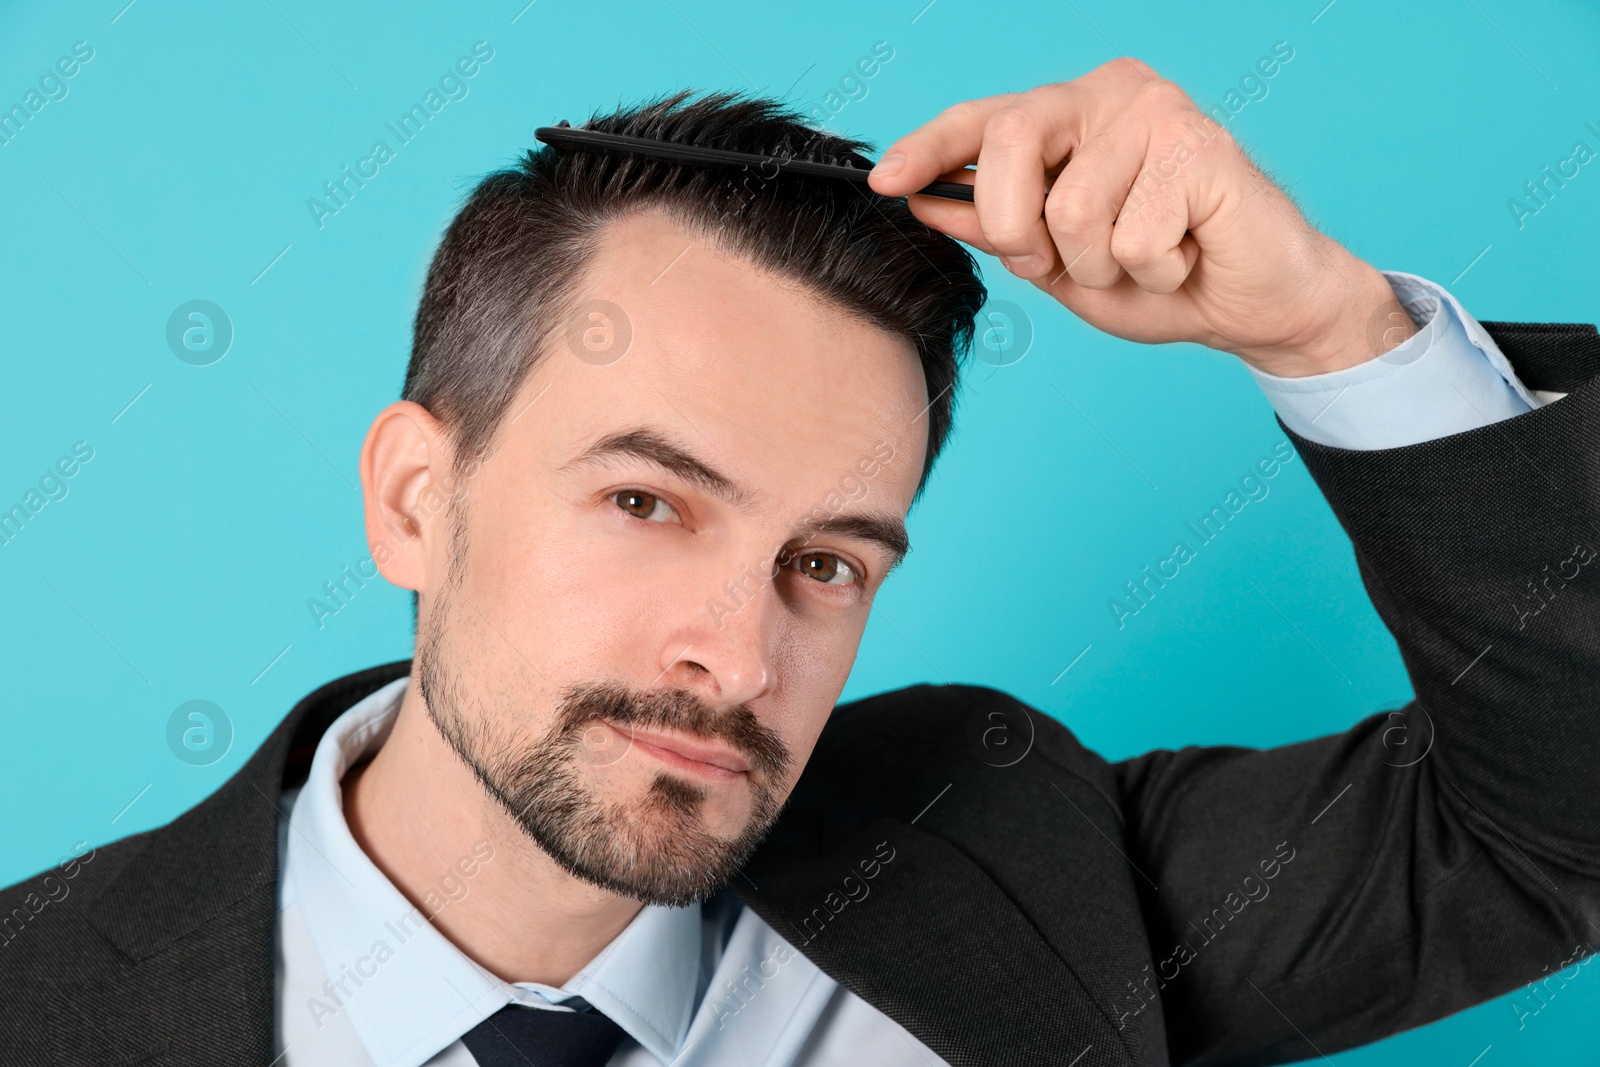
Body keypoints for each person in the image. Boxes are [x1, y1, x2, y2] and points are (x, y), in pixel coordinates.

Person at [3, 59, 1597, 1067]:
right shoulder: (41, 997)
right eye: (646, 502)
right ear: (419, 499)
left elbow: (1561, 831)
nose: (737, 654)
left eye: (828, 561)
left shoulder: (1022, 866)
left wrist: (1328, 330)